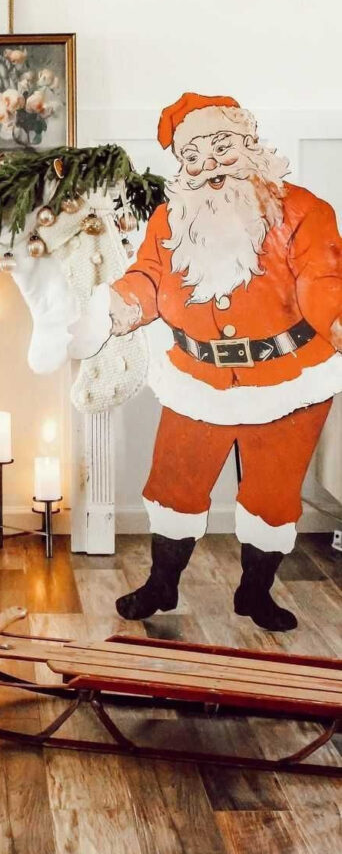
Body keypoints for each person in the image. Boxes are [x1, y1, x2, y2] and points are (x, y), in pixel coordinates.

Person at [69, 93, 342, 631]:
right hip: (198, 380)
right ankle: (161, 585)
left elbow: (324, 278)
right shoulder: (172, 216)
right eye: (194, 156)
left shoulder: (304, 209)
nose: (211, 164)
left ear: (250, 144)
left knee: (271, 499)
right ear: (183, 168)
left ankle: (254, 594)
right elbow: (148, 275)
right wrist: (119, 305)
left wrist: (336, 317)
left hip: (287, 381)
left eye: (223, 146)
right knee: (175, 489)